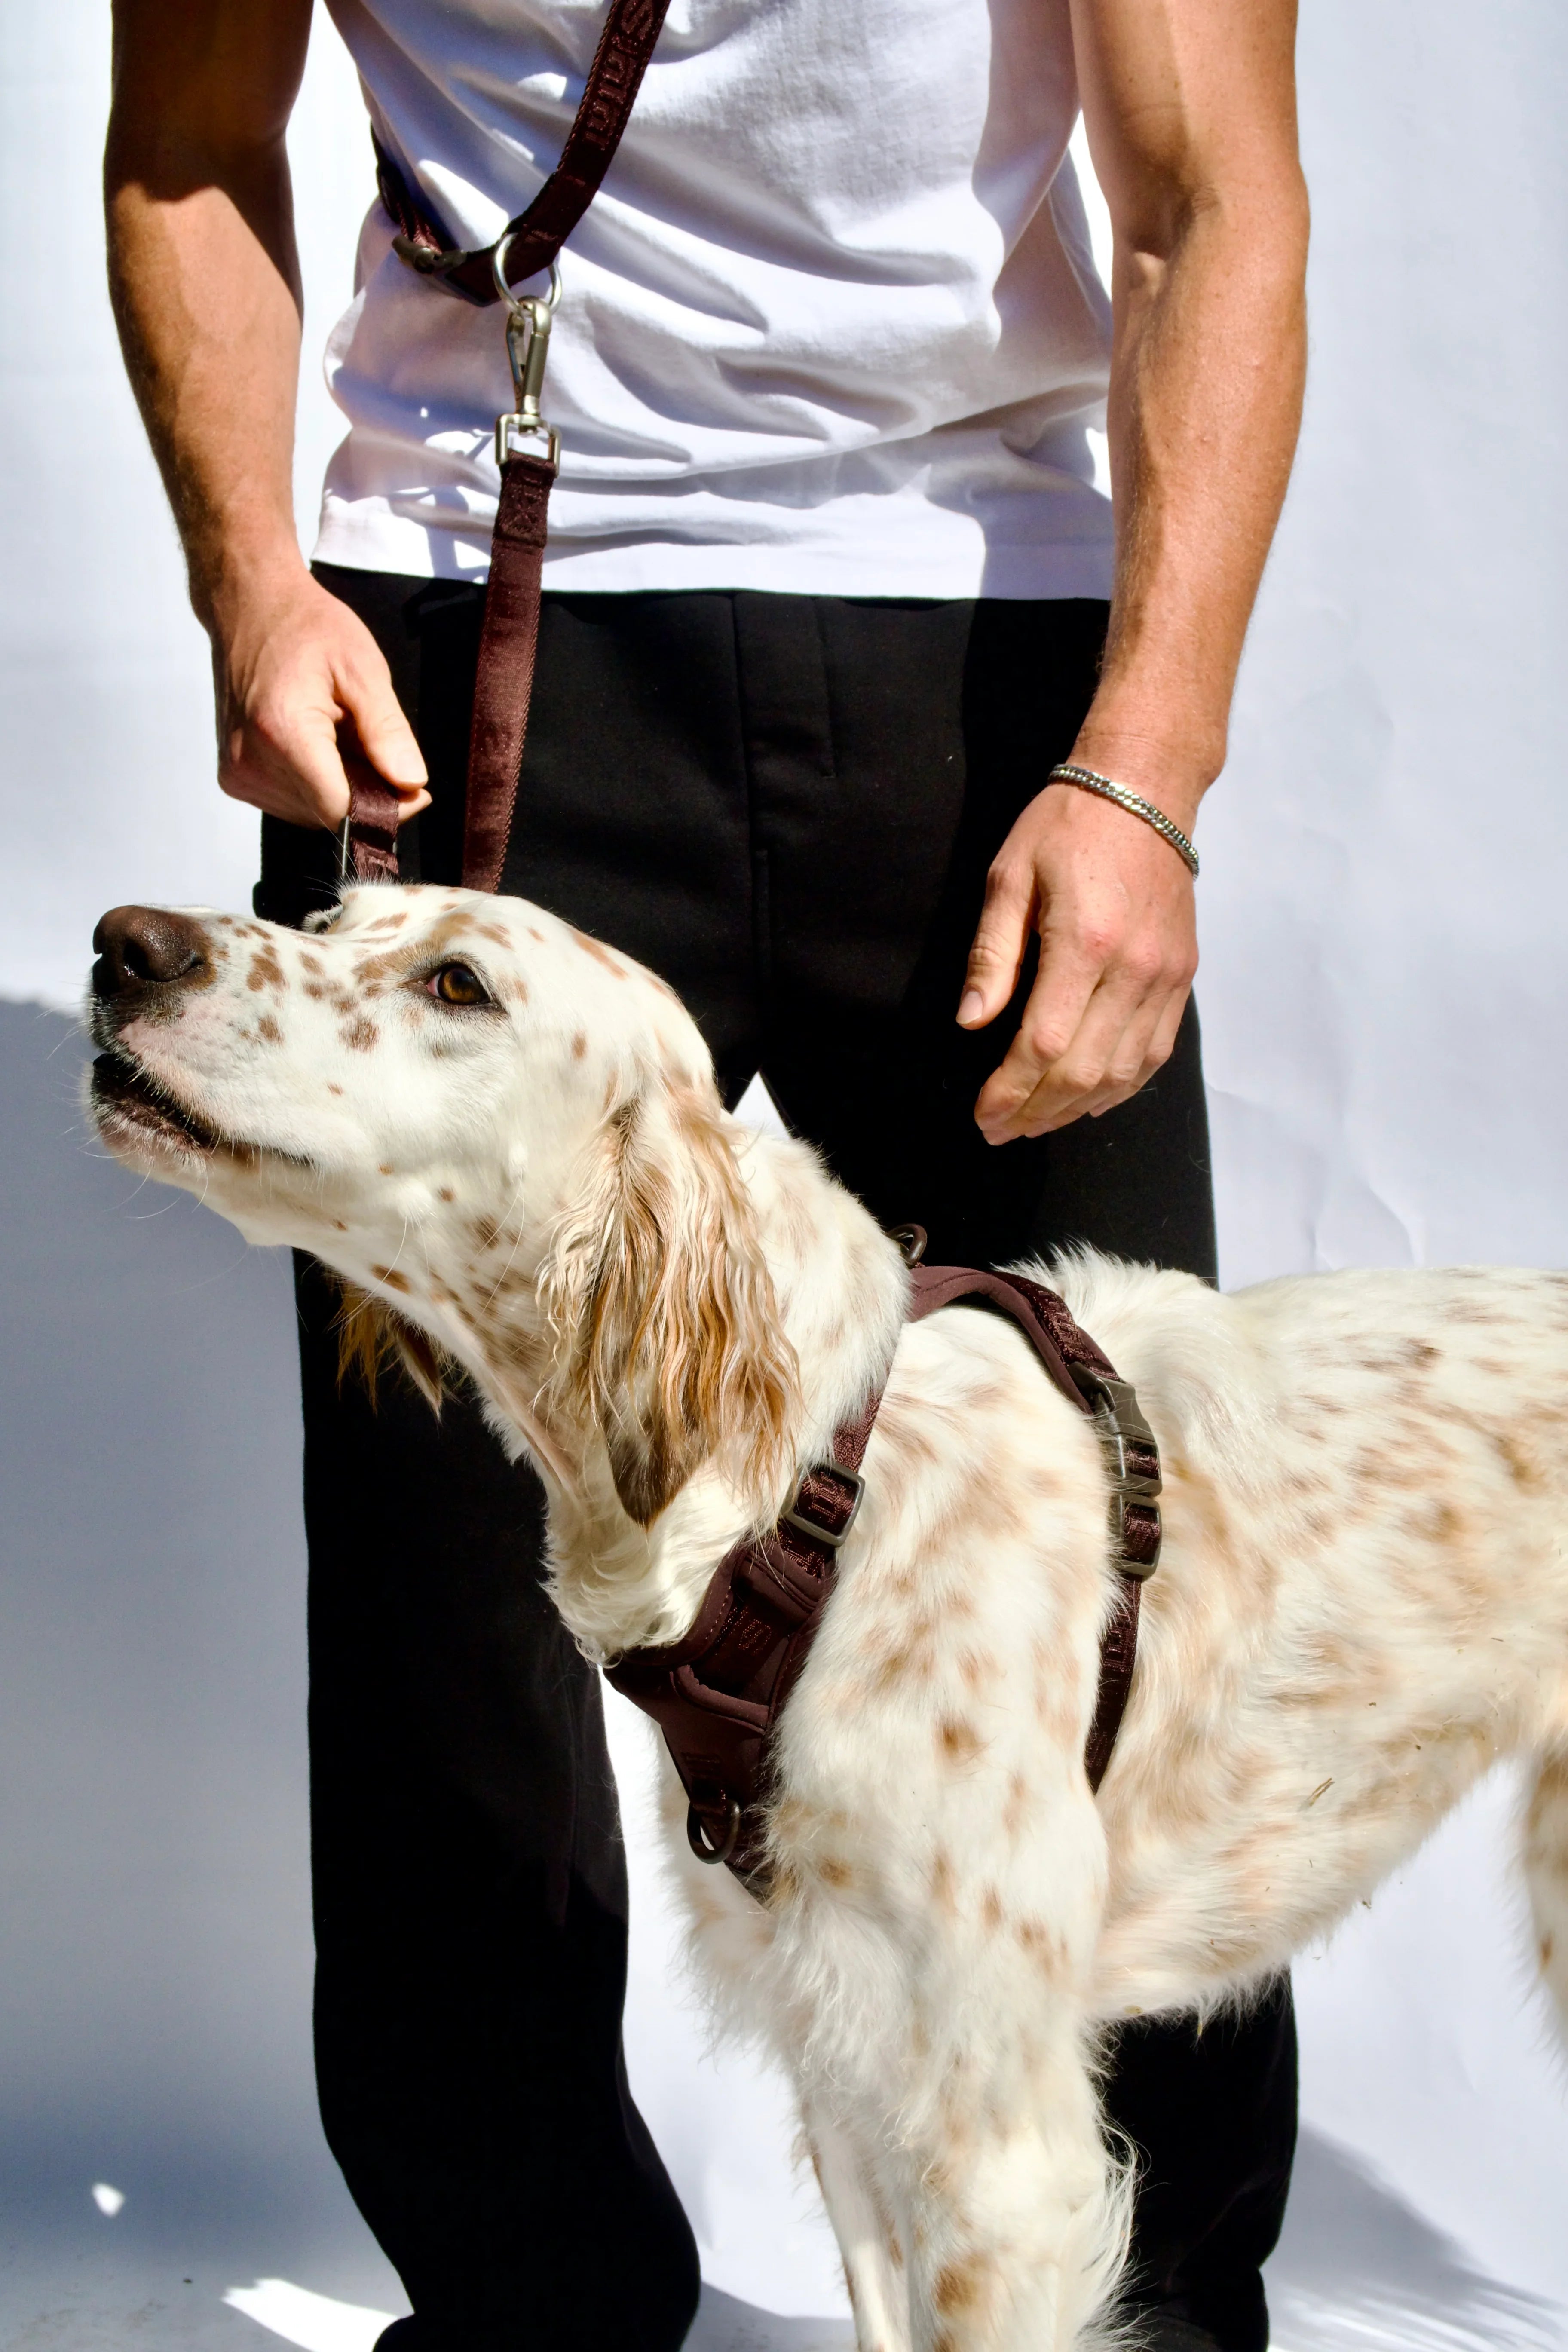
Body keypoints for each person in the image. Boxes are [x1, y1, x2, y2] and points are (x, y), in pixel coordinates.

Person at [104, 2, 1309, 2346]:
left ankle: (1154, 2320)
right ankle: (532, 2304)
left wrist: (1146, 769)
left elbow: (1209, 196)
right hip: (461, 621)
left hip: (985, 635)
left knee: (1124, 1582)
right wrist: (255, 581)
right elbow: (185, 143)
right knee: (455, 1591)